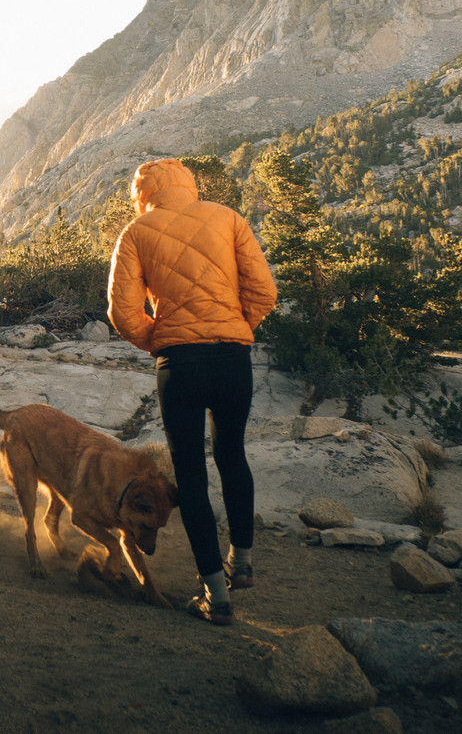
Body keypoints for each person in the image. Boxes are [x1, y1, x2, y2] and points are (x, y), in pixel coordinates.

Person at [106, 159, 277, 626]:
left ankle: (215, 596)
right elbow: (263, 291)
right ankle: (241, 562)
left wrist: (157, 338)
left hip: (179, 364)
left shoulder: (137, 231)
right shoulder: (227, 217)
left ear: (143, 190)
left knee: (190, 474)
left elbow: (123, 312)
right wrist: (237, 327)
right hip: (231, 358)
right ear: (189, 184)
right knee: (232, 454)